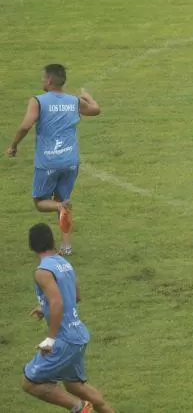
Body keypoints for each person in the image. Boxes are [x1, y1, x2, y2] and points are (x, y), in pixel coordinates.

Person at [6, 64, 101, 255]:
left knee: (40, 201)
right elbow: (95, 110)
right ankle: (66, 246)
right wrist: (86, 95)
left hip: (48, 162)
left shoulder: (38, 101)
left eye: (43, 78)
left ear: (49, 80)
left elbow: (25, 126)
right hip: (70, 161)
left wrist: (14, 145)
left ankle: (59, 206)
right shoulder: (73, 101)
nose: (42, 81)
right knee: (64, 199)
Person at [21, 223, 115, 413]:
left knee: (29, 383)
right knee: (74, 386)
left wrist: (50, 339)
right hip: (78, 333)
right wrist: (44, 307)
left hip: (65, 339)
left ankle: (78, 408)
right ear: (51, 241)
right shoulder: (63, 263)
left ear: (31, 246)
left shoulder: (42, 271)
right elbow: (75, 295)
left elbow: (58, 303)